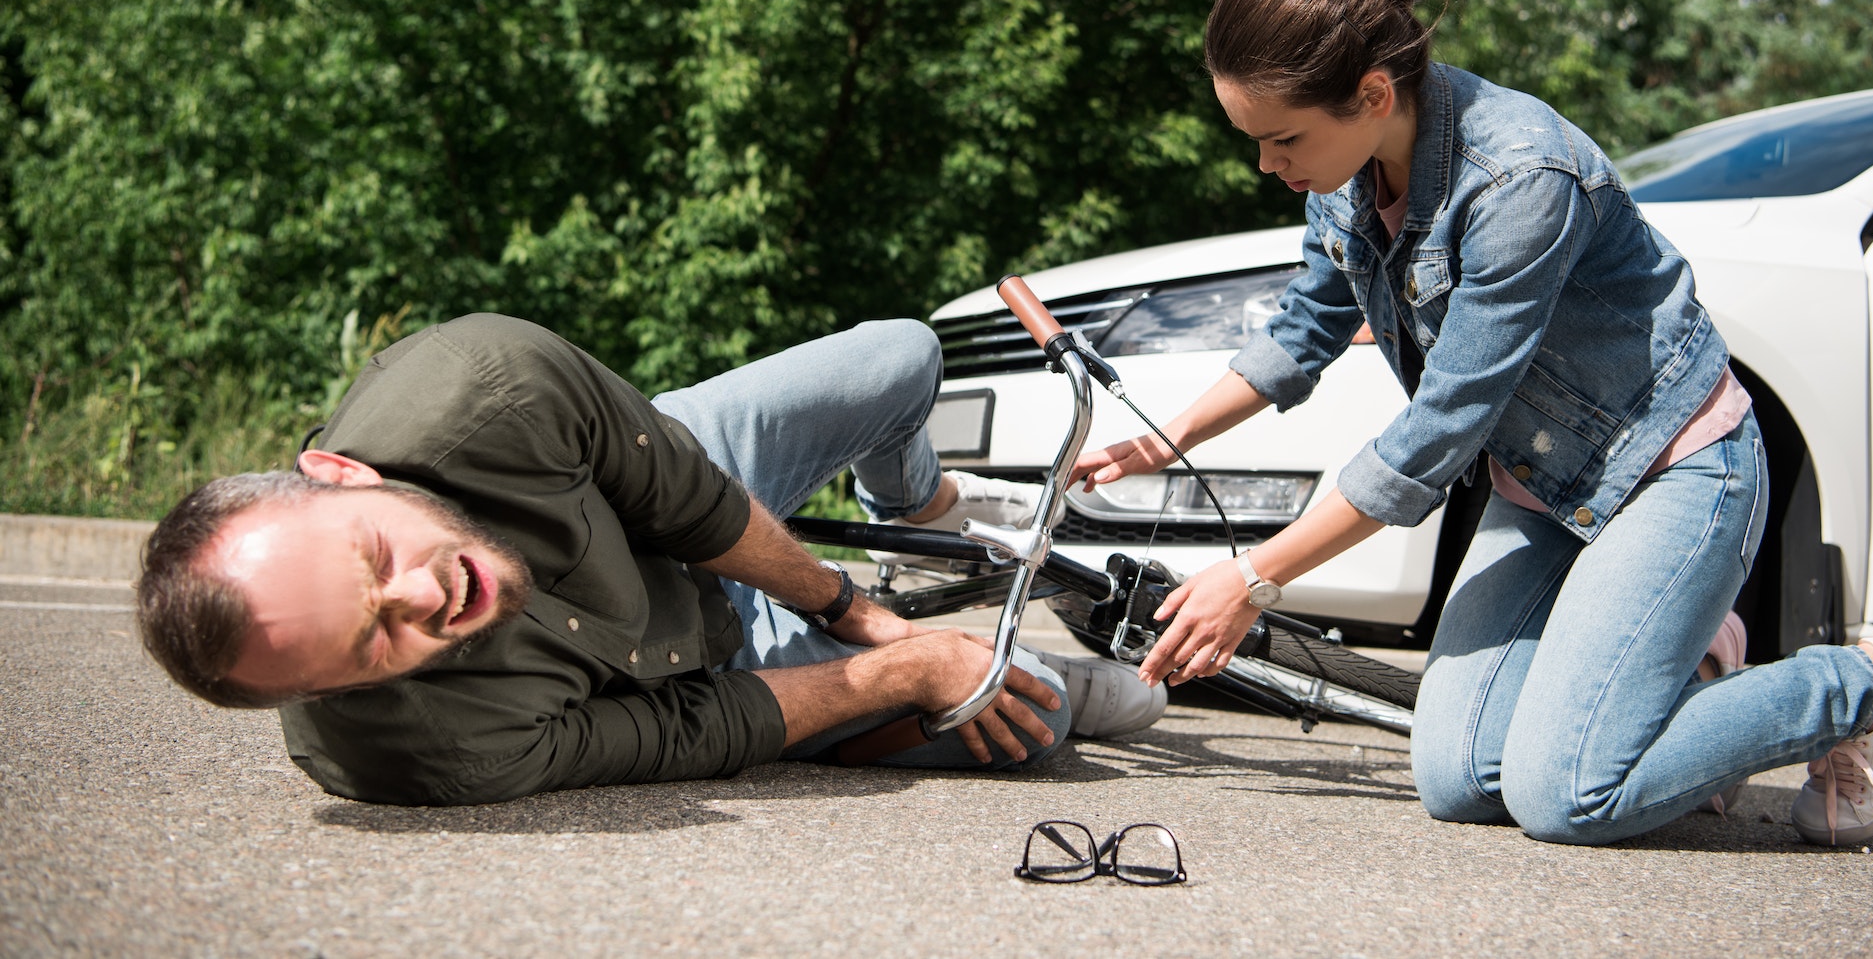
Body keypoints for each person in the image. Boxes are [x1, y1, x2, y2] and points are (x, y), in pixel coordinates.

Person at [1073, 0, 1873, 847]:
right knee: (1457, 778)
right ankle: (1683, 671)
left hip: (1674, 472)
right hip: (1542, 489)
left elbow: (1442, 426)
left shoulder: (1522, 177)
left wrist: (1254, 575)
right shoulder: (1347, 176)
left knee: (1568, 795)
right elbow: (1307, 326)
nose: (1265, 162)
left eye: (1281, 139)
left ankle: (1866, 684)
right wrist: (1169, 438)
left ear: (1371, 95)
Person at [137, 313, 1162, 806]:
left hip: (665, 513)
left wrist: (847, 606)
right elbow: (686, 731)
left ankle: (923, 504)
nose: (425, 595)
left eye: (375, 558)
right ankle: (1014, 661)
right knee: (1034, 720)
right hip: (696, 668)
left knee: (902, 357)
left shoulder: (483, 384)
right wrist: (898, 670)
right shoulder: (416, 752)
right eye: (372, 644)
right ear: (328, 693)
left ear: (336, 474)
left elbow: (689, 496)